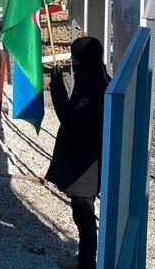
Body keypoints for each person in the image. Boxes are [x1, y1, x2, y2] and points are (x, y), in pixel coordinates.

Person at [46, 37, 110, 269]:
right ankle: (85, 259)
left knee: (84, 215)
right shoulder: (96, 76)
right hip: (88, 161)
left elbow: (69, 118)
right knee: (82, 214)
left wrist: (56, 87)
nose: (72, 63)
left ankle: (86, 263)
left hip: (86, 167)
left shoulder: (92, 87)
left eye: (74, 59)